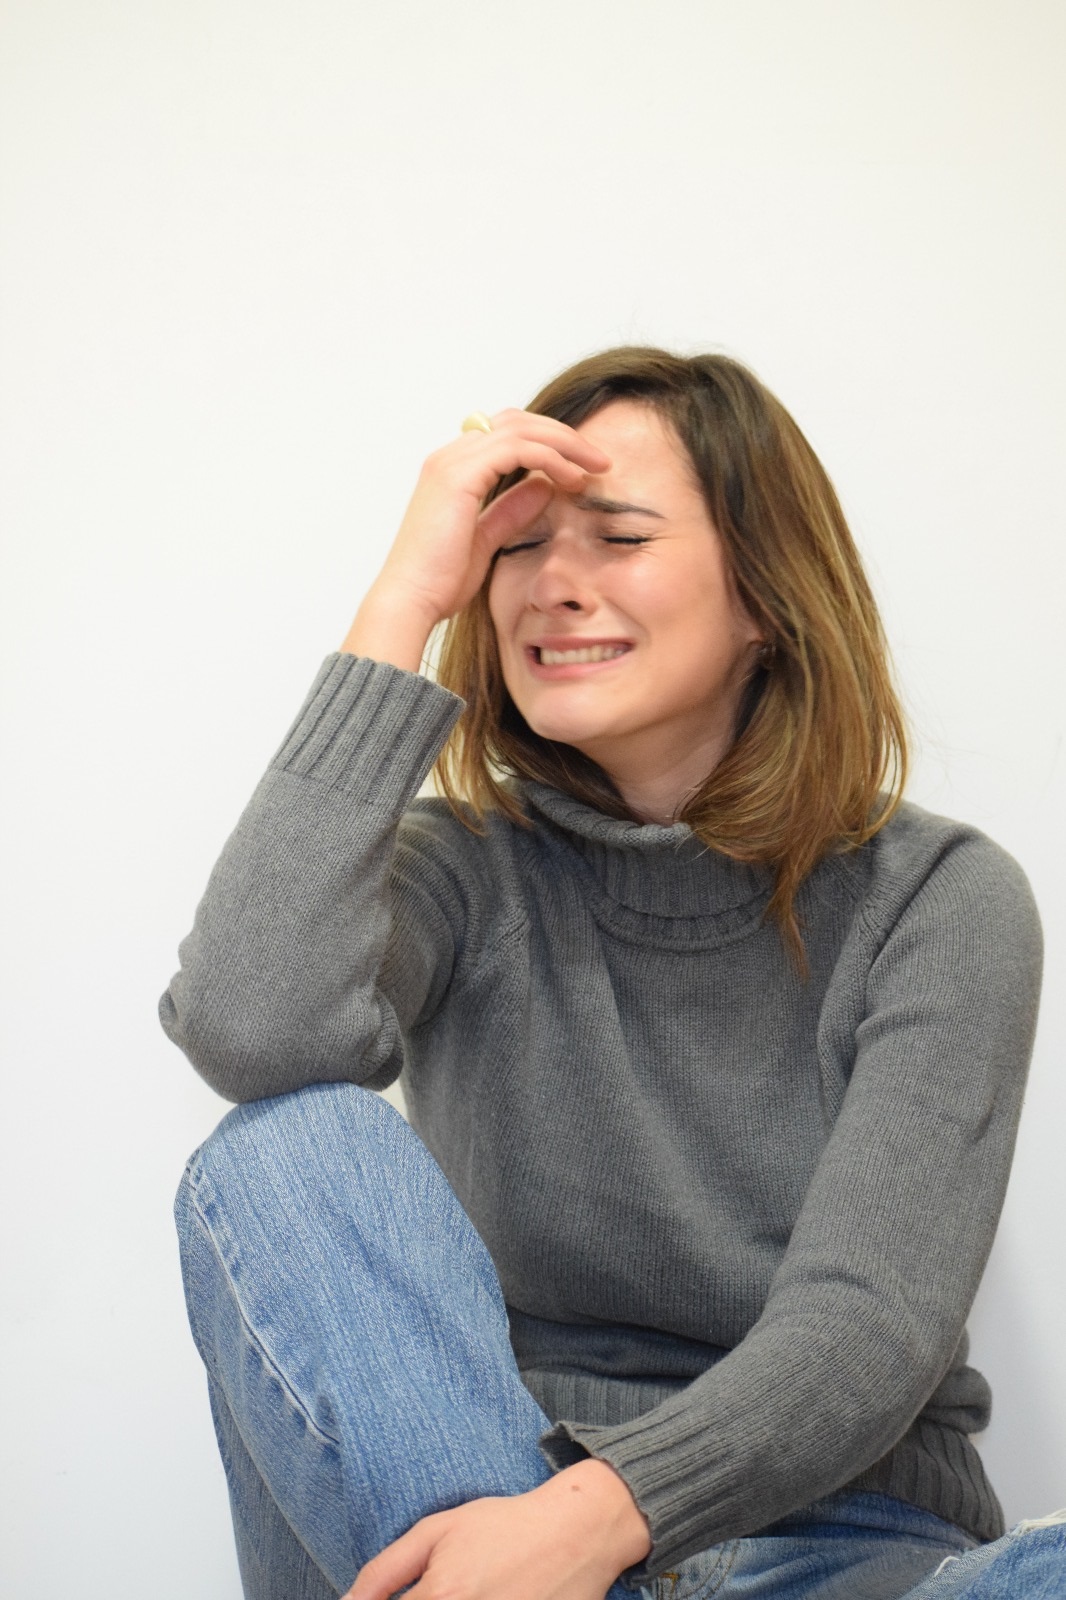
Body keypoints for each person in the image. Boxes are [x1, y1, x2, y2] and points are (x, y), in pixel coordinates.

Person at [162, 348, 1062, 1599]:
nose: (551, 587)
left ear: (765, 597)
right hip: (482, 1509)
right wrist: (404, 599)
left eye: (620, 538)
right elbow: (248, 1030)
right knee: (288, 1145)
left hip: (838, 1550)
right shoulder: (460, 869)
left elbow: (868, 1326)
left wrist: (601, 1523)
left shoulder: (937, 898)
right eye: (518, 547)